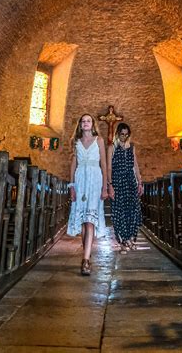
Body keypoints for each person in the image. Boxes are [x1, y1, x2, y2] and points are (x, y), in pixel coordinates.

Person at [66, 113, 108, 275]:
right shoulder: (76, 142)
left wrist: (105, 186)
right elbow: (73, 164)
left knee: (90, 221)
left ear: (93, 124)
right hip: (80, 180)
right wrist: (72, 186)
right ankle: (87, 255)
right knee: (83, 221)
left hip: (95, 181)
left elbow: (103, 164)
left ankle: (85, 261)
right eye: (83, 121)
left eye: (88, 121)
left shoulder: (99, 140)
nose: (86, 123)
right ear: (80, 125)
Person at [107, 122, 143, 253]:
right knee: (119, 212)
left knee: (132, 210)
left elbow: (136, 166)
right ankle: (122, 241)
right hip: (117, 181)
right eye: (122, 134)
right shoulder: (112, 147)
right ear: (117, 134)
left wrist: (140, 182)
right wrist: (110, 185)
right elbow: (109, 167)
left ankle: (130, 239)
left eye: (126, 135)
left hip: (130, 182)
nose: (124, 137)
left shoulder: (131, 147)